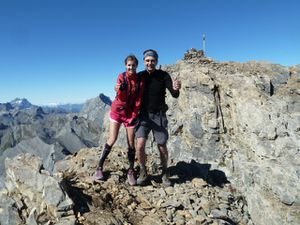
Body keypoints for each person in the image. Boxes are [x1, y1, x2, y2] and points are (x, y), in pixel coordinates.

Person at [95, 54, 144, 186]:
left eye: (133, 65)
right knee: (112, 138)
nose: (131, 67)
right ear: (125, 65)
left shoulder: (139, 81)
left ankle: (131, 170)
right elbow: (119, 92)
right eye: (129, 65)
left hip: (130, 114)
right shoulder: (121, 76)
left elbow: (138, 99)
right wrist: (119, 89)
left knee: (131, 143)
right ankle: (99, 167)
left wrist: (134, 114)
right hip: (117, 112)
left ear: (136, 66)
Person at [135, 49, 181, 186]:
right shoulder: (139, 76)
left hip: (158, 115)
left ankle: (165, 172)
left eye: (152, 60)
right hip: (142, 116)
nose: (150, 63)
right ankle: (143, 171)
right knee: (140, 145)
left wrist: (176, 88)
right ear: (144, 62)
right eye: (147, 60)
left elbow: (174, 94)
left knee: (161, 145)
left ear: (156, 61)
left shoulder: (163, 75)